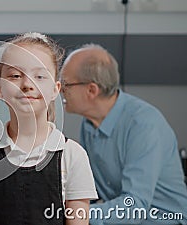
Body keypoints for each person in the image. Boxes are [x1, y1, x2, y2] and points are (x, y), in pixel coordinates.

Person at [0, 32, 98, 225]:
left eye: (40, 76)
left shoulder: (72, 155)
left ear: (55, 90)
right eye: (15, 76)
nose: (27, 84)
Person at [60, 44, 187, 224]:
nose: (60, 90)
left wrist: (77, 213)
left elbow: (135, 207)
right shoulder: (89, 123)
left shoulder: (143, 125)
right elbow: (90, 188)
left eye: (66, 84)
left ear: (91, 90)